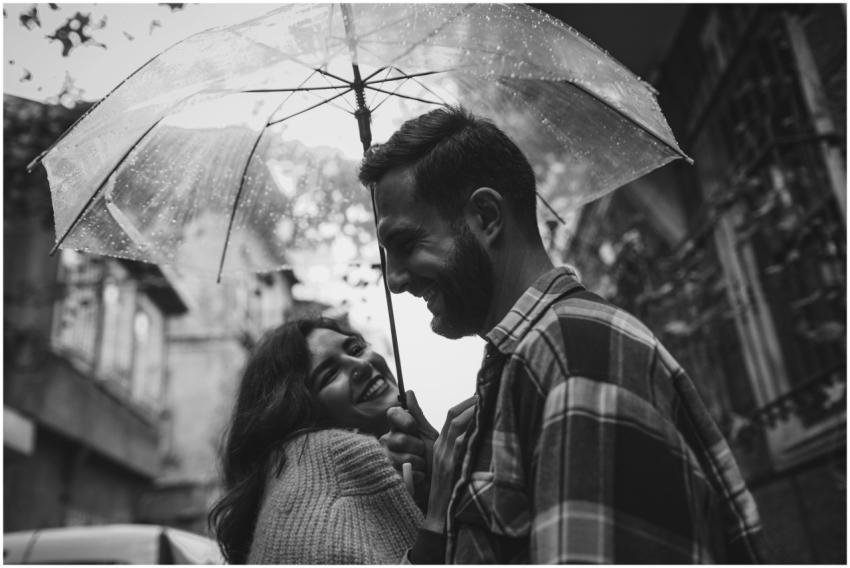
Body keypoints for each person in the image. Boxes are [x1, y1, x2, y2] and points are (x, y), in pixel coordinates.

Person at [360, 105, 768, 563]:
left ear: (486, 216)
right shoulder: (529, 362)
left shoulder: (575, 357)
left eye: (407, 244)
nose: (393, 279)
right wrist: (448, 480)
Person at [208, 317, 423, 564]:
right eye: (330, 374)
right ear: (299, 409)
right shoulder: (328, 458)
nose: (360, 365)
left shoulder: (287, 475)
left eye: (356, 349)